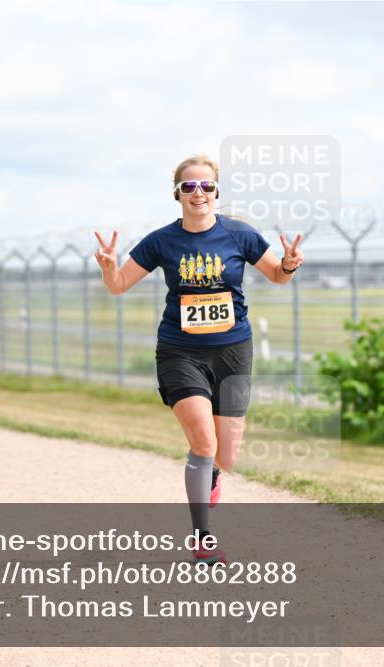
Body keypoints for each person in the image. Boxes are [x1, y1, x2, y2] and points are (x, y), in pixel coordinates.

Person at [93, 154, 304, 565]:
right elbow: (118, 286)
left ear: (216, 191)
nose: (198, 193)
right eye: (188, 186)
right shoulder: (161, 241)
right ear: (177, 194)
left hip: (233, 351)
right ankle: (202, 537)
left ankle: (213, 473)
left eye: (206, 186)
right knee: (203, 442)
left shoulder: (239, 234)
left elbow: (277, 276)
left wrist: (290, 265)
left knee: (226, 455)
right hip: (180, 350)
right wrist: (108, 267)